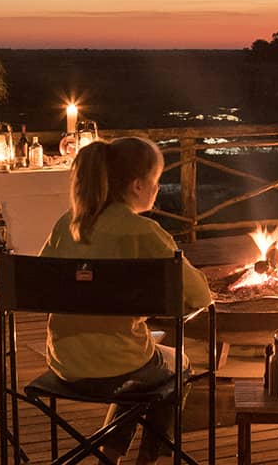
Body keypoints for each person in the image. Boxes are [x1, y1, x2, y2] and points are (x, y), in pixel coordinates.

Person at [39, 137, 213, 465]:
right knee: (176, 364)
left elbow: (41, 281)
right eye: (156, 182)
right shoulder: (144, 233)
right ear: (136, 186)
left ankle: (110, 457)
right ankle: (150, 460)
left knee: (138, 369)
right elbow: (199, 296)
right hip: (120, 362)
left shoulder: (68, 224)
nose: (158, 189)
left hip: (64, 361)